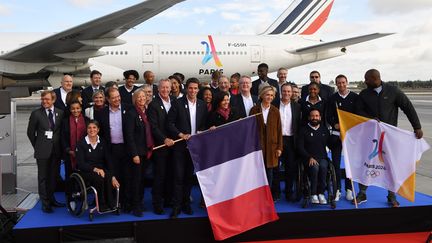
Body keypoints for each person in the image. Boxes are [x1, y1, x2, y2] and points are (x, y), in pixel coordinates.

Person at [354, 69, 423, 207]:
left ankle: (392, 196)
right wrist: (369, 119)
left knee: (391, 166)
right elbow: (358, 111)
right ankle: (362, 193)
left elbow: (407, 107)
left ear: (375, 78)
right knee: (367, 163)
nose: (365, 81)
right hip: (371, 137)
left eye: (367, 79)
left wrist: (417, 126)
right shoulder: (364, 93)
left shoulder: (393, 91)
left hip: (389, 137)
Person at [167, 77, 208, 219]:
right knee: (178, 177)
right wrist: (180, 134)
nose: (193, 91)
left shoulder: (202, 105)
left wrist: (203, 131)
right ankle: (176, 206)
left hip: (194, 147)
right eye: (190, 88)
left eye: (195, 88)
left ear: (198, 89)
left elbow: (203, 124)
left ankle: (186, 204)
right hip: (180, 146)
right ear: (186, 88)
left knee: (189, 177)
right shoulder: (177, 103)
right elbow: (169, 123)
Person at [94, 87, 132, 212]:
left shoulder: (128, 108)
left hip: (126, 148)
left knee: (127, 176)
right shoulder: (101, 113)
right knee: (113, 176)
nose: (117, 99)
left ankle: (126, 203)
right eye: (114, 97)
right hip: (110, 150)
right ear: (108, 99)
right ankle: (115, 203)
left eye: (118, 96)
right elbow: (100, 133)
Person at [27, 90, 65, 213]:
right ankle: (45, 203)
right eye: (43, 99)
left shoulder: (60, 113)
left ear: (53, 100)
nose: (44, 101)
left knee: (53, 177)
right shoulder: (36, 114)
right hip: (42, 151)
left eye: (47, 99)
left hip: (56, 151)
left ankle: (52, 199)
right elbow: (30, 133)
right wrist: (38, 146)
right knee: (43, 178)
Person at [326, 74, 359, 201]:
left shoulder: (355, 97)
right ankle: (337, 189)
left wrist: (349, 125)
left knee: (350, 164)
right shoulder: (332, 98)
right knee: (335, 163)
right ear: (336, 84)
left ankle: (349, 189)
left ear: (347, 82)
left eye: (343, 82)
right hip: (336, 135)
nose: (341, 85)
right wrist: (335, 124)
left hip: (351, 136)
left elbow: (358, 115)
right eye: (338, 83)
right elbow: (328, 115)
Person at [75, 120, 120, 212]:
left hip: (101, 169)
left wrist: (113, 177)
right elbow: (81, 164)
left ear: (98, 129)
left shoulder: (103, 142)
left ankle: (111, 203)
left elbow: (108, 160)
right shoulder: (81, 144)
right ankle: (101, 204)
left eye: (94, 127)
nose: (92, 130)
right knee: (99, 178)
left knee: (108, 176)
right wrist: (95, 169)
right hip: (87, 170)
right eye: (89, 128)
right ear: (86, 130)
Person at [147, 79, 176, 215]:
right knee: (160, 175)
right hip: (161, 145)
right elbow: (153, 126)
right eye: (162, 87)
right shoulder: (153, 105)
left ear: (171, 88)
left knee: (171, 174)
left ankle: (168, 199)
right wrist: (164, 139)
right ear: (158, 89)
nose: (165, 90)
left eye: (167, 87)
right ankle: (157, 203)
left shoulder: (175, 101)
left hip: (175, 145)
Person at [250, 84, 283, 197]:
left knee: (270, 172)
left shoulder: (275, 111)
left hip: (272, 147)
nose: (269, 97)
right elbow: (250, 129)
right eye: (267, 95)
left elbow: (279, 130)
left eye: (271, 95)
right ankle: (257, 195)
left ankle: (267, 195)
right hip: (258, 146)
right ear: (262, 95)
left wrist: (279, 147)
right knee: (258, 171)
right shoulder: (254, 109)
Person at [125, 88, 153, 217]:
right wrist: (134, 153)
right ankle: (135, 206)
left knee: (142, 179)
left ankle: (140, 202)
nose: (142, 99)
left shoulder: (146, 111)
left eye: (143, 96)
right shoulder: (131, 113)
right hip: (136, 153)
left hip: (145, 152)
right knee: (136, 180)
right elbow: (129, 135)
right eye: (139, 97)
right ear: (135, 99)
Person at [274, 83, 301, 202]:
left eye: (289, 92)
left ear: (292, 93)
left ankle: (289, 192)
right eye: (284, 91)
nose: (286, 93)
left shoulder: (297, 107)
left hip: (291, 140)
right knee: (275, 167)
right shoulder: (274, 105)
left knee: (290, 168)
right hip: (276, 140)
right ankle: (276, 193)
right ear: (281, 92)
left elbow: (298, 125)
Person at [297, 109, 330, 205]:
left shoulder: (324, 129)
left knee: (324, 167)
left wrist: (341, 138)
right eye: (312, 116)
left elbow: (330, 143)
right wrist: (309, 157)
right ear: (309, 117)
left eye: (316, 116)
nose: (314, 118)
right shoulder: (303, 130)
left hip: (322, 157)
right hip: (308, 158)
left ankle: (321, 193)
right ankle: (313, 193)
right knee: (315, 168)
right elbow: (300, 147)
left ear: (320, 117)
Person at [61, 101, 89, 179]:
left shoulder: (86, 120)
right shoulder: (65, 122)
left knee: (83, 173)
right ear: (70, 110)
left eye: (78, 108)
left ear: (81, 109)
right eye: (73, 109)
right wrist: (69, 150)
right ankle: (70, 191)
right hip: (70, 152)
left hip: (84, 152)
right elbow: (63, 137)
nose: (75, 110)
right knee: (70, 175)